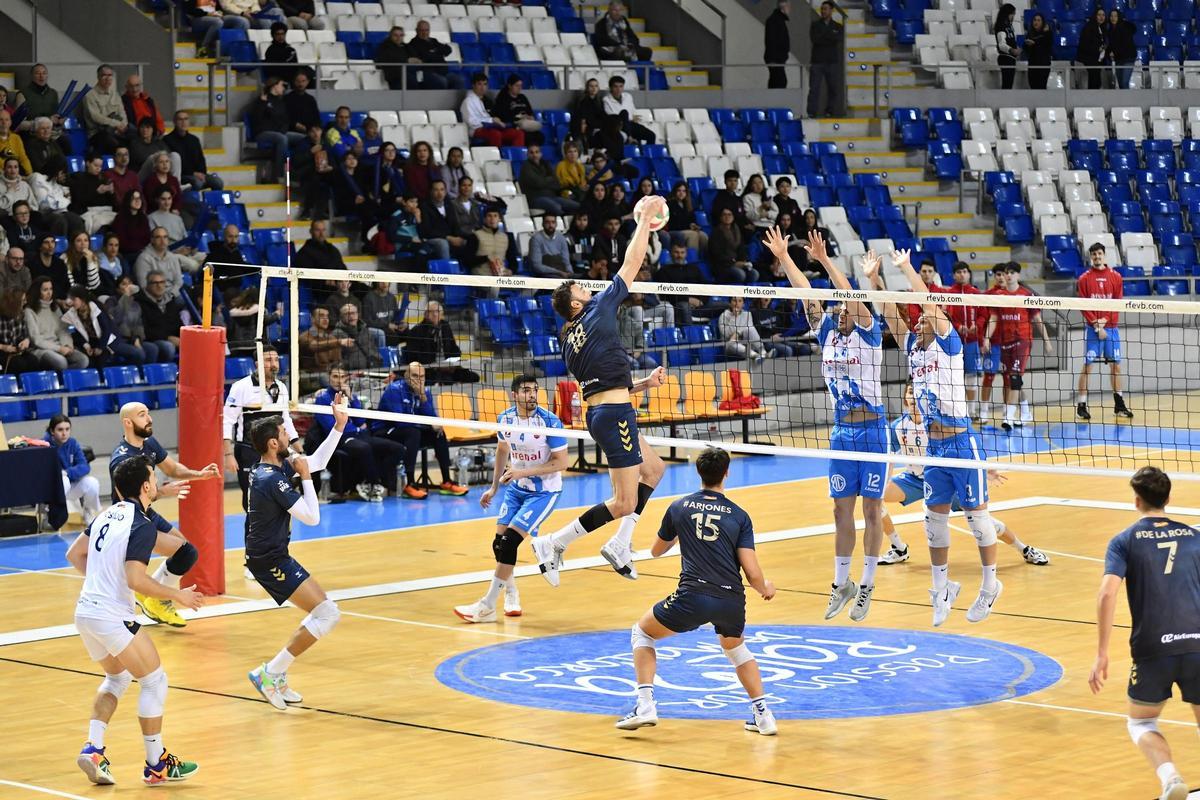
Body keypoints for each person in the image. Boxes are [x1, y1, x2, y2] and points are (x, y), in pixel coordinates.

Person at [865, 247, 1002, 625]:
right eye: (919, 317)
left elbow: (927, 303)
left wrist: (906, 268)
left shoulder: (949, 343)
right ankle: (941, 590)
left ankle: (990, 586)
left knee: (977, 520)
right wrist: (873, 280)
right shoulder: (912, 346)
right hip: (934, 448)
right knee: (933, 521)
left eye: (925, 315)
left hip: (961, 442)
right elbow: (890, 313)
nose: (920, 319)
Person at [537, 195, 670, 586]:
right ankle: (554, 543)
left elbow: (600, 380)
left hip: (607, 411)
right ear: (577, 302)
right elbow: (631, 263)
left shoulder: (568, 341)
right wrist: (644, 221)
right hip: (613, 416)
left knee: (655, 469)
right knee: (624, 501)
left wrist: (642, 384)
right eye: (583, 289)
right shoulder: (595, 309)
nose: (589, 290)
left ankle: (621, 543)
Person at [765, 227, 885, 621]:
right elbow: (806, 294)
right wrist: (785, 257)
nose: (838, 310)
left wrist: (826, 261)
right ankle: (841, 583)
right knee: (839, 511)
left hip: (872, 431)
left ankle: (866, 584)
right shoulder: (829, 332)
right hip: (841, 433)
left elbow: (847, 292)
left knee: (872, 511)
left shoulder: (870, 333)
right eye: (836, 309)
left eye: (843, 306)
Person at [615, 446, 777, 735]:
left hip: (694, 596)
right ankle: (764, 716)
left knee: (642, 632)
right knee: (736, 649)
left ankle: (645, 705)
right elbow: (751, 571)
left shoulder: (679, 507)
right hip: (731, 599)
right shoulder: (739, 515)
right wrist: (765, 588)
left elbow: (655, 551)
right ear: (726, 473)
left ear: (698, 473)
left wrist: (684, 531)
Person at [66, 455, 203, 787]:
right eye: (154, 478)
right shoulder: (141, 524)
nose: (156, 483)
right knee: (155, 681)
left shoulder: (104, 516)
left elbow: (75, 555)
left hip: (85, 612)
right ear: (146, 486)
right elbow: (136, 580)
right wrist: (178, 596)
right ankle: (156, 765)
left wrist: (101, 582)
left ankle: (94, 748)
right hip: (111, 616)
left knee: (118, 678)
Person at [1089, 466, 1198, 800]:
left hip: (1153, 648)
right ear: (1169, 498)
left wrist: (1102, 653)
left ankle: (1170, 779)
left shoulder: (1124, 540)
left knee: (1141, 723)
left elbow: (1107, 593)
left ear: (1137, 501)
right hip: (1197, 643)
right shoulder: (1194, 536)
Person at [244, 400, 347, 710]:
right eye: (284, 432)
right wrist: (305, 479)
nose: (290, 434)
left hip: (273, 554)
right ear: (274, 443)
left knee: (324, 612)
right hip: (269, 560)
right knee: (327, 613)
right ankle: (270, 672)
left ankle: (275, 673)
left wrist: (339, 426)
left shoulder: (270, 466)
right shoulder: (270, 478)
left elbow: (315, 460)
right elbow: (312, 518)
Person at [877, 382, 1049, 567]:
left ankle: (1023, 548)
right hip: (914, 480)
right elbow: (889, 458)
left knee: (981, 520)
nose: (913, 397)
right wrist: (883, 481)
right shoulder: (897, 427)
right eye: (910, 393)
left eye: (916, 393)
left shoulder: (936, 424)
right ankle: (898, 547)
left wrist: (982, 469)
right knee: (875, 499)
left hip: (943, 480)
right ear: (905, 398)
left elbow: (963, 447)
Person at [454, 375, 569, 623]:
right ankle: (512, 593)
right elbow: (502, 451)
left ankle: (486, 605)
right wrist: (493, 488)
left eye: (535, 390)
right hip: (516, 489)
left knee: (508, 543)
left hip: (544, 492)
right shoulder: (505, 419)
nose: (532, 395)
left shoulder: (549, 422)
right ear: (514, 395)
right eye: (526, 391)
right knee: (499, 544)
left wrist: (522, 472)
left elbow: (562, 463)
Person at [109, 401, 221, 626]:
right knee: (185, 553)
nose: (149, 419)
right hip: (130, 521)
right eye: (142, 415)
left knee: (185, 550)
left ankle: (151, 597)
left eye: (148, 413)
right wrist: (161, 492)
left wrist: (199, 475)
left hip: (146, 512)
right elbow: (127, 500)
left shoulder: (148, 443)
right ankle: (156, 599)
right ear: (128, 423)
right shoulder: (121, 459)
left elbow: (172, 469)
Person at [373, 362, 469, 499]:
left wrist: (423, 398)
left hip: (410, 431)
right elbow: (400, 421)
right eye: (415, 376)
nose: (419, 380)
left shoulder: (426, 392)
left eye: (422, 376)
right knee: (413, 432)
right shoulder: (394, 390)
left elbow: (433, 419)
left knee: (438, 432)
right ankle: (410, 483)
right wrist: (429, 424)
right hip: (386, 431)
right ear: (406, 376)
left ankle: (447, 481)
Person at [224, 345, 303, 511]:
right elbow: (227, 421)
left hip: (276, 451)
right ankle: (253, 535)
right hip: (248, 450)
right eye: (268, 360)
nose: (274, 364)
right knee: (252, 499)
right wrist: (228, 454)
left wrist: (297, 446)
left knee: (281, 495)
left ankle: (279, 534)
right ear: (257, 363)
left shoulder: (281, 387)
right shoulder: (241, 387)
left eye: (276, 359)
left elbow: (285, 419)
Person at [311, 364, 405, 501]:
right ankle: (374, 483)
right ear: (329, 378)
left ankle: (370, 481)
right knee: (364, 448)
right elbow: (331, 426)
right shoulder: (323, 398)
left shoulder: (350, 396)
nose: (339, 380)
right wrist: (355, 428)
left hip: (359, 436)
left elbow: (360, 420)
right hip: (339, 439)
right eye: (335, 376)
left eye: (342, 377)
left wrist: (351, 398)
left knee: (397, 448)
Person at [982, 262, 1054, 431]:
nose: (1008, 275)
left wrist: (1047, 341)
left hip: (1022, 341)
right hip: (1005, 343)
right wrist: (986, 337)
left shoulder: (1026, 295)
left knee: (1014, 378)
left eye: (1012, 272)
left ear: (1018, 276)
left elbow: (1037, 320)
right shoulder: (999, 296)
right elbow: (993, 319)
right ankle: (1026, 411)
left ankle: (1008, 416)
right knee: (1012, 380)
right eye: (1007, 272)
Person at [1077, 242, 1133, 421]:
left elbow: (1117, 303)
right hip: (1093, 330)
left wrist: (1104, 322)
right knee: (1087, 366)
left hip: (1111, 329)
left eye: (1099, 253)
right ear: (1090, 257)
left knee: (1116, 367)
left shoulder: (1116, 277)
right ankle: (1082, 405)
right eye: (1093, 254)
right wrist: (1096, 325)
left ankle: (1119, 404)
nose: (1097, 257)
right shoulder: (1084, 279)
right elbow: (1083, 306)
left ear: (1104, 255)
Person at [942, 262, 983, 419]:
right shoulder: (949, 294)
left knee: (972, 377)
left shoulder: (975, 293)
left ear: (969, 274)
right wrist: (958, 327)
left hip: (972, 342)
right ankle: (958, 411)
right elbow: (946, 316)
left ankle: (971, 411)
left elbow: (983, 315)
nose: (962, 274)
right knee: (955, 378)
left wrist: (976, 326)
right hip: (954, 343)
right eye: (958, 272)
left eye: (965, 271)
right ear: (954, 275)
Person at [46, 413, 102, 527]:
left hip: (71, 486)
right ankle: (49, 513)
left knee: (92, 483)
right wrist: (61, 475)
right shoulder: (45, 445)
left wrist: (67, 472)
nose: (64, 433)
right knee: (63, 480)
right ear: (52, 431)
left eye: (67, 429)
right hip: (52, 490)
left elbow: (84, 466)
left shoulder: (73, 443)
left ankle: (88, 511)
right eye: (60, 429)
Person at [251, 77, 306, 182]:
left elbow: (286, 120)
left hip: (280, 132)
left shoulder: (280, 102)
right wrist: (262, 103)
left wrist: (282, 129)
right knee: (282, 138)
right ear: (274, 86)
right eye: (281, 85)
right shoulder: (262, 100)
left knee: (304, 138)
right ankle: (279, 175)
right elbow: (257, 119)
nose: (283, 88)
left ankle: (297, 169)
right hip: (263, 132)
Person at [25, 276, 87, 369]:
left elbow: (63, 330)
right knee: (61, 362)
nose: (49, 292)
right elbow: (36, 340)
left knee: (83, 360)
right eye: (45, 290)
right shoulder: (29, 311)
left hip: (59, 346)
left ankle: (66, 380)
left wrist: (67, 345)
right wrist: (59, 349)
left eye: (51, 289)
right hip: (41, 350)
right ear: (37, 291)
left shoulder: (55, 308)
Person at [461, 73, 525, 148]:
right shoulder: (468, 101)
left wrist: (498, 122)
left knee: (518, 133)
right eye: (479, 84)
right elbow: (471, 122)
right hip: (476, 130)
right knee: (495, 134)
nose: (482, 87)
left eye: (485, 84)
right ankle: (497, 157)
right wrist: (491, 121)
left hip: (491, 127)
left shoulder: (486, 100)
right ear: (473, 85)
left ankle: (517, 157)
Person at [164, 110, 222, 191]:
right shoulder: (167, 140)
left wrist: (202, 174)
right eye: (180, 119)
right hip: (182, 175)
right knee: (197, 183)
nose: (183, 122)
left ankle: (214, 202)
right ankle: (192, 202)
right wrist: (193, 173)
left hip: (197, 174)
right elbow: (175, 165)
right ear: (175, 122)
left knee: (218, 182)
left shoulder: (194, 140)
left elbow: (201, 159)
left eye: (186, 119)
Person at [519, 144, 578, 217]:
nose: (534, 155)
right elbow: (538, 183)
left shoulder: (545, 164)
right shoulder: (526, 167)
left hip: (552, 196)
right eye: (531, 152)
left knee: (576, 206)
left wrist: (545, 181)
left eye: (537, 152)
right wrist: (549, 179)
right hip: (535, 198)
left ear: (540, 154)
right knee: (556, 207)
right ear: (527, 154)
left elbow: (556, 182)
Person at [135, 271, 184, 359]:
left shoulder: (170, 302)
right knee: (168, 347)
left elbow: (178, 323)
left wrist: (184, 338)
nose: (159, 286)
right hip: (153, 340)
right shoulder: (140, 302)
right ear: (148, 285)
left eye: (162, 282)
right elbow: (144, 329)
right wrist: (167, 338)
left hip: (172, 338)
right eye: (155, 283)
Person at [83, 65, 130, 153]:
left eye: (110, 75)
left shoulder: (115, 94)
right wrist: (116, 124)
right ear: (98, 77)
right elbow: (96, 117)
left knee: (135, 137)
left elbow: (122, 113)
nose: (107, 78)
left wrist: (123, 125)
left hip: (116, 130)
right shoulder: (90, 95)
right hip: (98, 134)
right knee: (115, 145)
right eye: (104, 75)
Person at [807, 1, 842, 118]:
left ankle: (829, 111)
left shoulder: (838, 26)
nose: (823, 11)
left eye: (825, 9)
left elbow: (836, 40)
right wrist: (829, 36)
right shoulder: (815, 25)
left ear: (831, 10)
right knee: (814, 89)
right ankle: (811, 112)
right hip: (817, 61)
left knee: (832, 89)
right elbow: (815, 40)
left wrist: (824, 36)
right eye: (822, 9)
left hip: (831, 61)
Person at [709, 207, 759, 285]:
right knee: (740, 274)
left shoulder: (737, 230)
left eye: (729, 215)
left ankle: (746, 296)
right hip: (723, 266)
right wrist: (733, 262)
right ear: (721, 217)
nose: (727, 217)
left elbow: (741, 248)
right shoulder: (716, 233)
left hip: (738, 263)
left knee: (754, 273)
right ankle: (735, 295)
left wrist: (743, 261)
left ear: (733, 217)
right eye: (724, 215)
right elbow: (716, 253)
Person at [407, 20, 463, 90]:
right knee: (442, 82)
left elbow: (448, 49)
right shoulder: (413, 44)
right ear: (416, 30)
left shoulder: (433, 40)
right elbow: (425, 57)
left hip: (443, 72)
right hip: (427, 73)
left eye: (426, 30)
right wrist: (437, 52)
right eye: (422, 30)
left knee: (459, 80)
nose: (424, 33)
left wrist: (434, 51)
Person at [603, 75, 655, 145]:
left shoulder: (628, 96)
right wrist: (630, 118)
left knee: (651, 135)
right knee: (624, 113)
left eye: (621, 86)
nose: (618, 89)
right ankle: (629, 138)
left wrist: (630, 118)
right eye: (616, 86)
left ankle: (648, 154)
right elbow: (613, 116)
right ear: (611, 87)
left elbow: (633, 111)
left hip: (631, 124)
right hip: (618, 127)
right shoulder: (606, 99)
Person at [492, 75, 544, 144]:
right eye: (517, 86)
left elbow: (530, 112)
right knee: (527, 136)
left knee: (540, 136)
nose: (519, 88)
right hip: (514, 124)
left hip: (526, 122)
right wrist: (517, 118)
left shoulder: (522, 97)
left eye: (520, 85)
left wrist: (529, 117)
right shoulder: (503, 99)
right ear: (510, 86)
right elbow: (503, 116)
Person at [719, 296, 769, 361]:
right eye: (734, 301)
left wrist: (737, 333)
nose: (737, 304)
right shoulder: (723, 316)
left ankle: (763, 352)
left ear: (743, 303)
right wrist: (734, 317)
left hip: (745, 341)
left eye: (740, 301)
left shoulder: (747, 314)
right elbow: (726, 334)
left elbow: (749, 330)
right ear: (730, 303)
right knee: (732, 343)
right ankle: (755, 356)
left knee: (750, 329)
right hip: (730, 345)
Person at [0, 287, 37, 374]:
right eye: (23, 300)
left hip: (16, 349)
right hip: (2, 351)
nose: (25, 302)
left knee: (34, 361)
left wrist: (26, 341)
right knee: (18, 364)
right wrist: (4, 347)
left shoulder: (21, 314)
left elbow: (25, 334)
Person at [528, 214, 573, 279]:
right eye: (547, 222)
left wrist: (570, 272)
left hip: (561, 272)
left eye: (553, 222)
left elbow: (566, 261)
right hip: (545, 274)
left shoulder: (561, 238)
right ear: (542, 224)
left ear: (556, 224)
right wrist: (559, 272)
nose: (551, 225)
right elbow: (537, 266)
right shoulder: (535, 239)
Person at [1077, 7, 1109, 90]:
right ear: (1095, 16)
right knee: (1094, 81)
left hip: (1097, 60)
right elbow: (1084, 45)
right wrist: (1097, 49)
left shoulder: (1102, 28)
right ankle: (1091, 102)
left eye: (1103, 15)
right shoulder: (1088, 28)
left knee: (1097, 82)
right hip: (1089, 59)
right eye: (1099, 15)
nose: (1101, 17)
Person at [570, 78, 606, 145]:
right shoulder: (582, 101)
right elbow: (582, 116)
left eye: (596, 86)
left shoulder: (600, 101)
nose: (594, 88)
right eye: (591, 86)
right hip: (585, 128)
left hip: (596, 127)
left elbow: (602, 116)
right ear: (587, 88)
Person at [764, 0, 792, 89]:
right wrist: (773, 59)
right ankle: (774, 102)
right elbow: (770, 40)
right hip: (775, 59)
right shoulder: (774, 20)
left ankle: (774, 102)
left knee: (776, 81)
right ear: (783, 7)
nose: (790, 9)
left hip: (777, 58)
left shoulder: (777, 20)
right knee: (779, 81)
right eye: (788, 6)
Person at [284, 71, 320, 136]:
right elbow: (284, 118)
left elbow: (316, 119)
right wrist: (295, 124)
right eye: (298, 81)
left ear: (307, 82)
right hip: (293, 131)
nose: (300, 84)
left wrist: (316, 129)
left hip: (309, 131)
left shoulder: (311, 99)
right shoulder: (287, 99)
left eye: (303, 81)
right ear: (294, 82)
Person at [374, 25, 410, 89]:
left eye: (401, 35)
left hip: (404, 73)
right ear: (390, 36)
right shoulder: (385, 46)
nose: (398, 38)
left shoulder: (405, 46)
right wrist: (407, 60)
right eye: (395, 35)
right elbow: (393, 59)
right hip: (392, 75)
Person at [994, 4, 1020, 89]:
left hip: (1011, 58)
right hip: (1006, 58)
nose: (1013, 17)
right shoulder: (1001, 26)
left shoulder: (1009, 26)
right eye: (1012, 14)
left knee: (1009, 84)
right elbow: (1001, 44)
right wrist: (1012, 50)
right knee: (1007, 85)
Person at [1108, 10, 1136, 89]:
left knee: (1124, 82)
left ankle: (1128, 101)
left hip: (1128, 58)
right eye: (1111, 16)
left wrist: (1114, 53)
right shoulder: (1110, 30)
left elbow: (1125, 45)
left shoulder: (1124, 28)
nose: (1113, 18)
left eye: (1115, 16)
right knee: (1120, 83)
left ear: (1119, 17)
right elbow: (1111, 46)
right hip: (1119, 59)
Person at [1025, 13, 1053, 90]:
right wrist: (1027, 45)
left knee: (1041, 88)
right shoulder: (1029, 34)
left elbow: (1046, 45)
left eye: (1038, 20)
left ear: (1042, 22)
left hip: (1043, 65)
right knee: (1033, 87)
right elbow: (1026, 50)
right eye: (1034, 20)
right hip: (1032, 65)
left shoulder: (1047, 33)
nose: (1036, 22)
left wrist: (1034, 43)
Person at [0, 110, 31, 175]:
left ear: (10, 122)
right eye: (1, 120)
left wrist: (29, 174)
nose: (4, 122)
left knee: (36, 177)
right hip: (3, 176)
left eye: (7, 120)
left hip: (19, 174)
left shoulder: (16, 138)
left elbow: (23, 158)